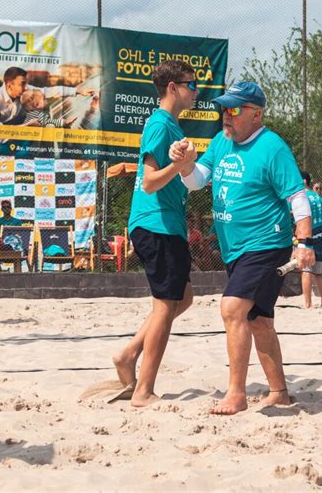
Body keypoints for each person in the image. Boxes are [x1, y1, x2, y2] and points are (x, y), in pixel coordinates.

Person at [170, 81, 314, 415]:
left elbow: (297, 196)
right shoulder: (222, 142)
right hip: (235, 249)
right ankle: (278, 391)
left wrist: (304, 242)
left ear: (256, 114)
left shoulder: (272, 147)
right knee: (258, 319)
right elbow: (195, 182)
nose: (226, 116)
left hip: (266, 243)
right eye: (224, 109)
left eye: (234, 110)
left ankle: (235, 394)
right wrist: (184, 164)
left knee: (233, 308)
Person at [112, 59, 199, 408]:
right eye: (191, 85)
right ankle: (144, 390)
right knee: (165, 306)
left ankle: (129, 353)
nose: (196, 91)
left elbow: (183, 178)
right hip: (156, 223)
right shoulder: (161, 124)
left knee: (184, 297)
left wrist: (187, 162)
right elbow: (149, 182)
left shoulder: (173, 127)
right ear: (172, 88)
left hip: (167, 224)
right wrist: (180, 165)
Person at [0, 66, 95, 126]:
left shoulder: (26, 93)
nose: (26, 87)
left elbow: (51, 91)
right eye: (22, 84)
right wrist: (26, 126)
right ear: (9, 85)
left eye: (26, 83)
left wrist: (78, 91)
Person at [301, 172, 322, 308]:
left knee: (306, 271)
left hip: (308, 235)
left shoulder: (301, 196)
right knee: (318, 273)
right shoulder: (318, 197)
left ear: (304, 181)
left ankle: (308, 304)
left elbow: (293, 214)